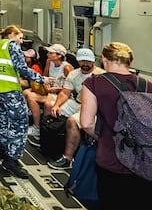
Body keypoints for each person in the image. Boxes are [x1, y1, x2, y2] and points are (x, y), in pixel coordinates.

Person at [81, 42, 152, 209]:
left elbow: (86, 123)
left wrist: (105, 138)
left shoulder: (94, 83)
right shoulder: (147, 85)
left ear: (104, 60)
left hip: (111, 158)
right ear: (131, 62)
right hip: (145, 160)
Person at [0, 25, 49, 179]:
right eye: (20, 37)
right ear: (12, 35)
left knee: (2, 120)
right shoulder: (11, 45)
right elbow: (21, 67)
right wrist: (42, 79)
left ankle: (2, 147)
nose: (21, 42)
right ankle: (12, 160)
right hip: (10, 92)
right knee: (19, 124)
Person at [45, 48, 103, 170]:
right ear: (78, 61)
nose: (85, 64)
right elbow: (65, 93)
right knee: (50, 106)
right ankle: (47, 141)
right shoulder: (74, 74)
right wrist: (56, 105)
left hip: (93, 106)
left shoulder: (101, 75)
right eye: (82, 61)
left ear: (93, 61)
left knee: (72, 121)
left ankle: (67, 158)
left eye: (88, 61)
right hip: (77, 102)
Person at [26, 43, 74, 145]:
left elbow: (72, 87)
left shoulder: (67, 68)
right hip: (50, 91)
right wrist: (46, 84)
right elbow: (44, 76)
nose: (47, 54)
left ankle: (40, 128)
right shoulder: (49, 62)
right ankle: (33, 119)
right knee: (26, 92)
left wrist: (58, 89)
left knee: (35, 99)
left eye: (50, 53)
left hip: (60, 93)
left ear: (59, 55)